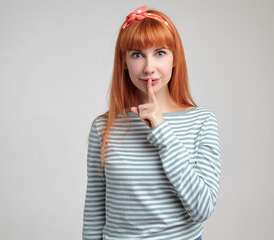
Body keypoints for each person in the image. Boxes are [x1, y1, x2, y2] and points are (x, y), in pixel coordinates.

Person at [82, 5, 221, 240]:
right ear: (124, 62)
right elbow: (95, 211)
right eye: (137, 54)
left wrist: (162, 130)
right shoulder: (103, 128)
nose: (149, 68)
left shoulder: (202, 121)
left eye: (160, 53)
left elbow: (202, 209)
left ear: (175, 58)